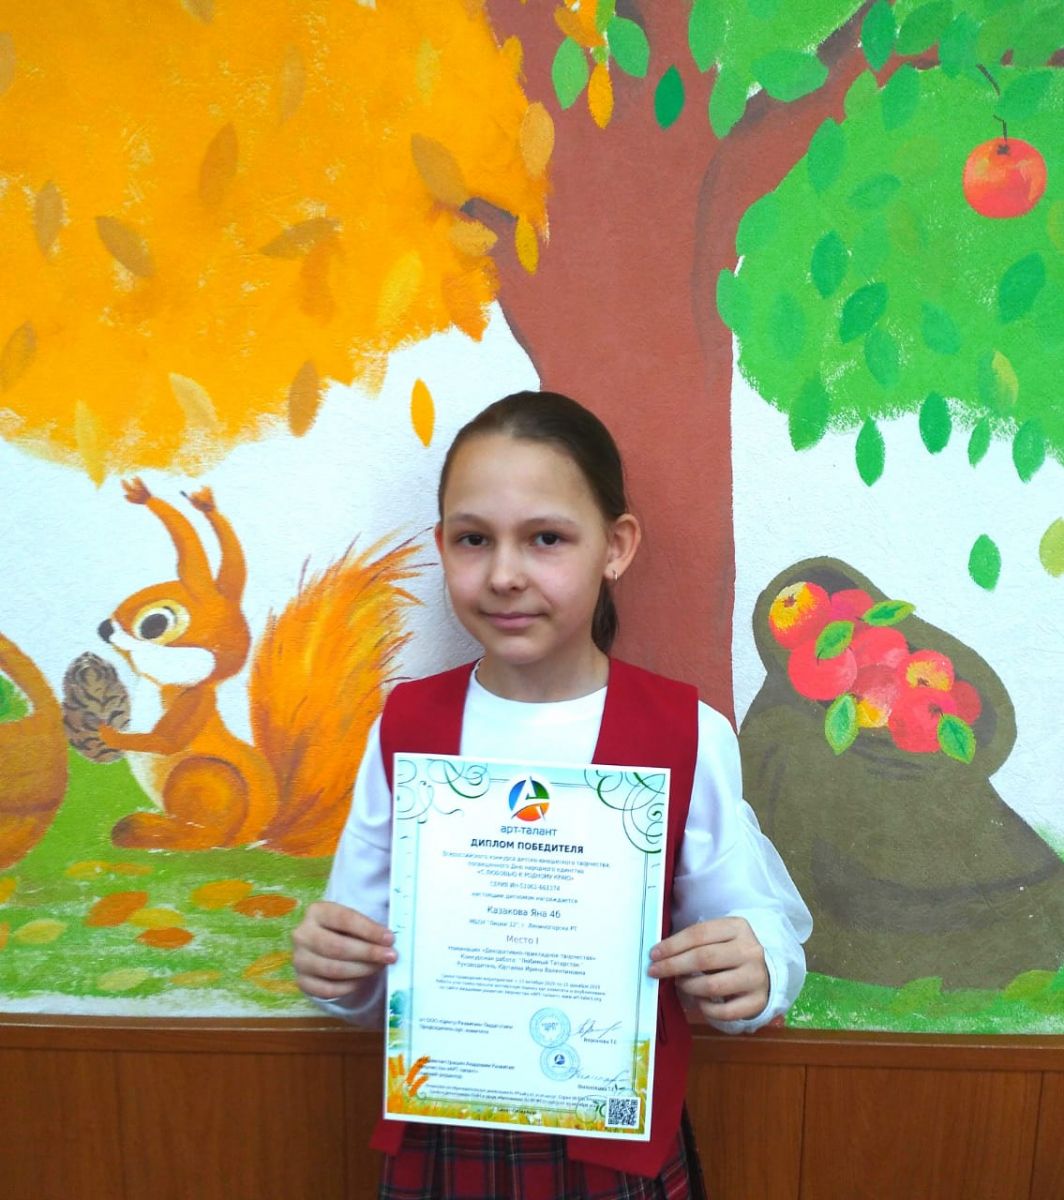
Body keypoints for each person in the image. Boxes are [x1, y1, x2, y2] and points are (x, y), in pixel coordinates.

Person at [292, 390, 812, 1200]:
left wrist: (756, 970)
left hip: (617, 1157)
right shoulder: (407, 726)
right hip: (443, 1141)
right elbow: (366, 968)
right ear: (442, 545)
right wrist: (336, 965)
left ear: (615, 547)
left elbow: (756, 929)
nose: (504, 575)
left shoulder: (687, 733)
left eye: (546, 538)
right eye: (473, 539)